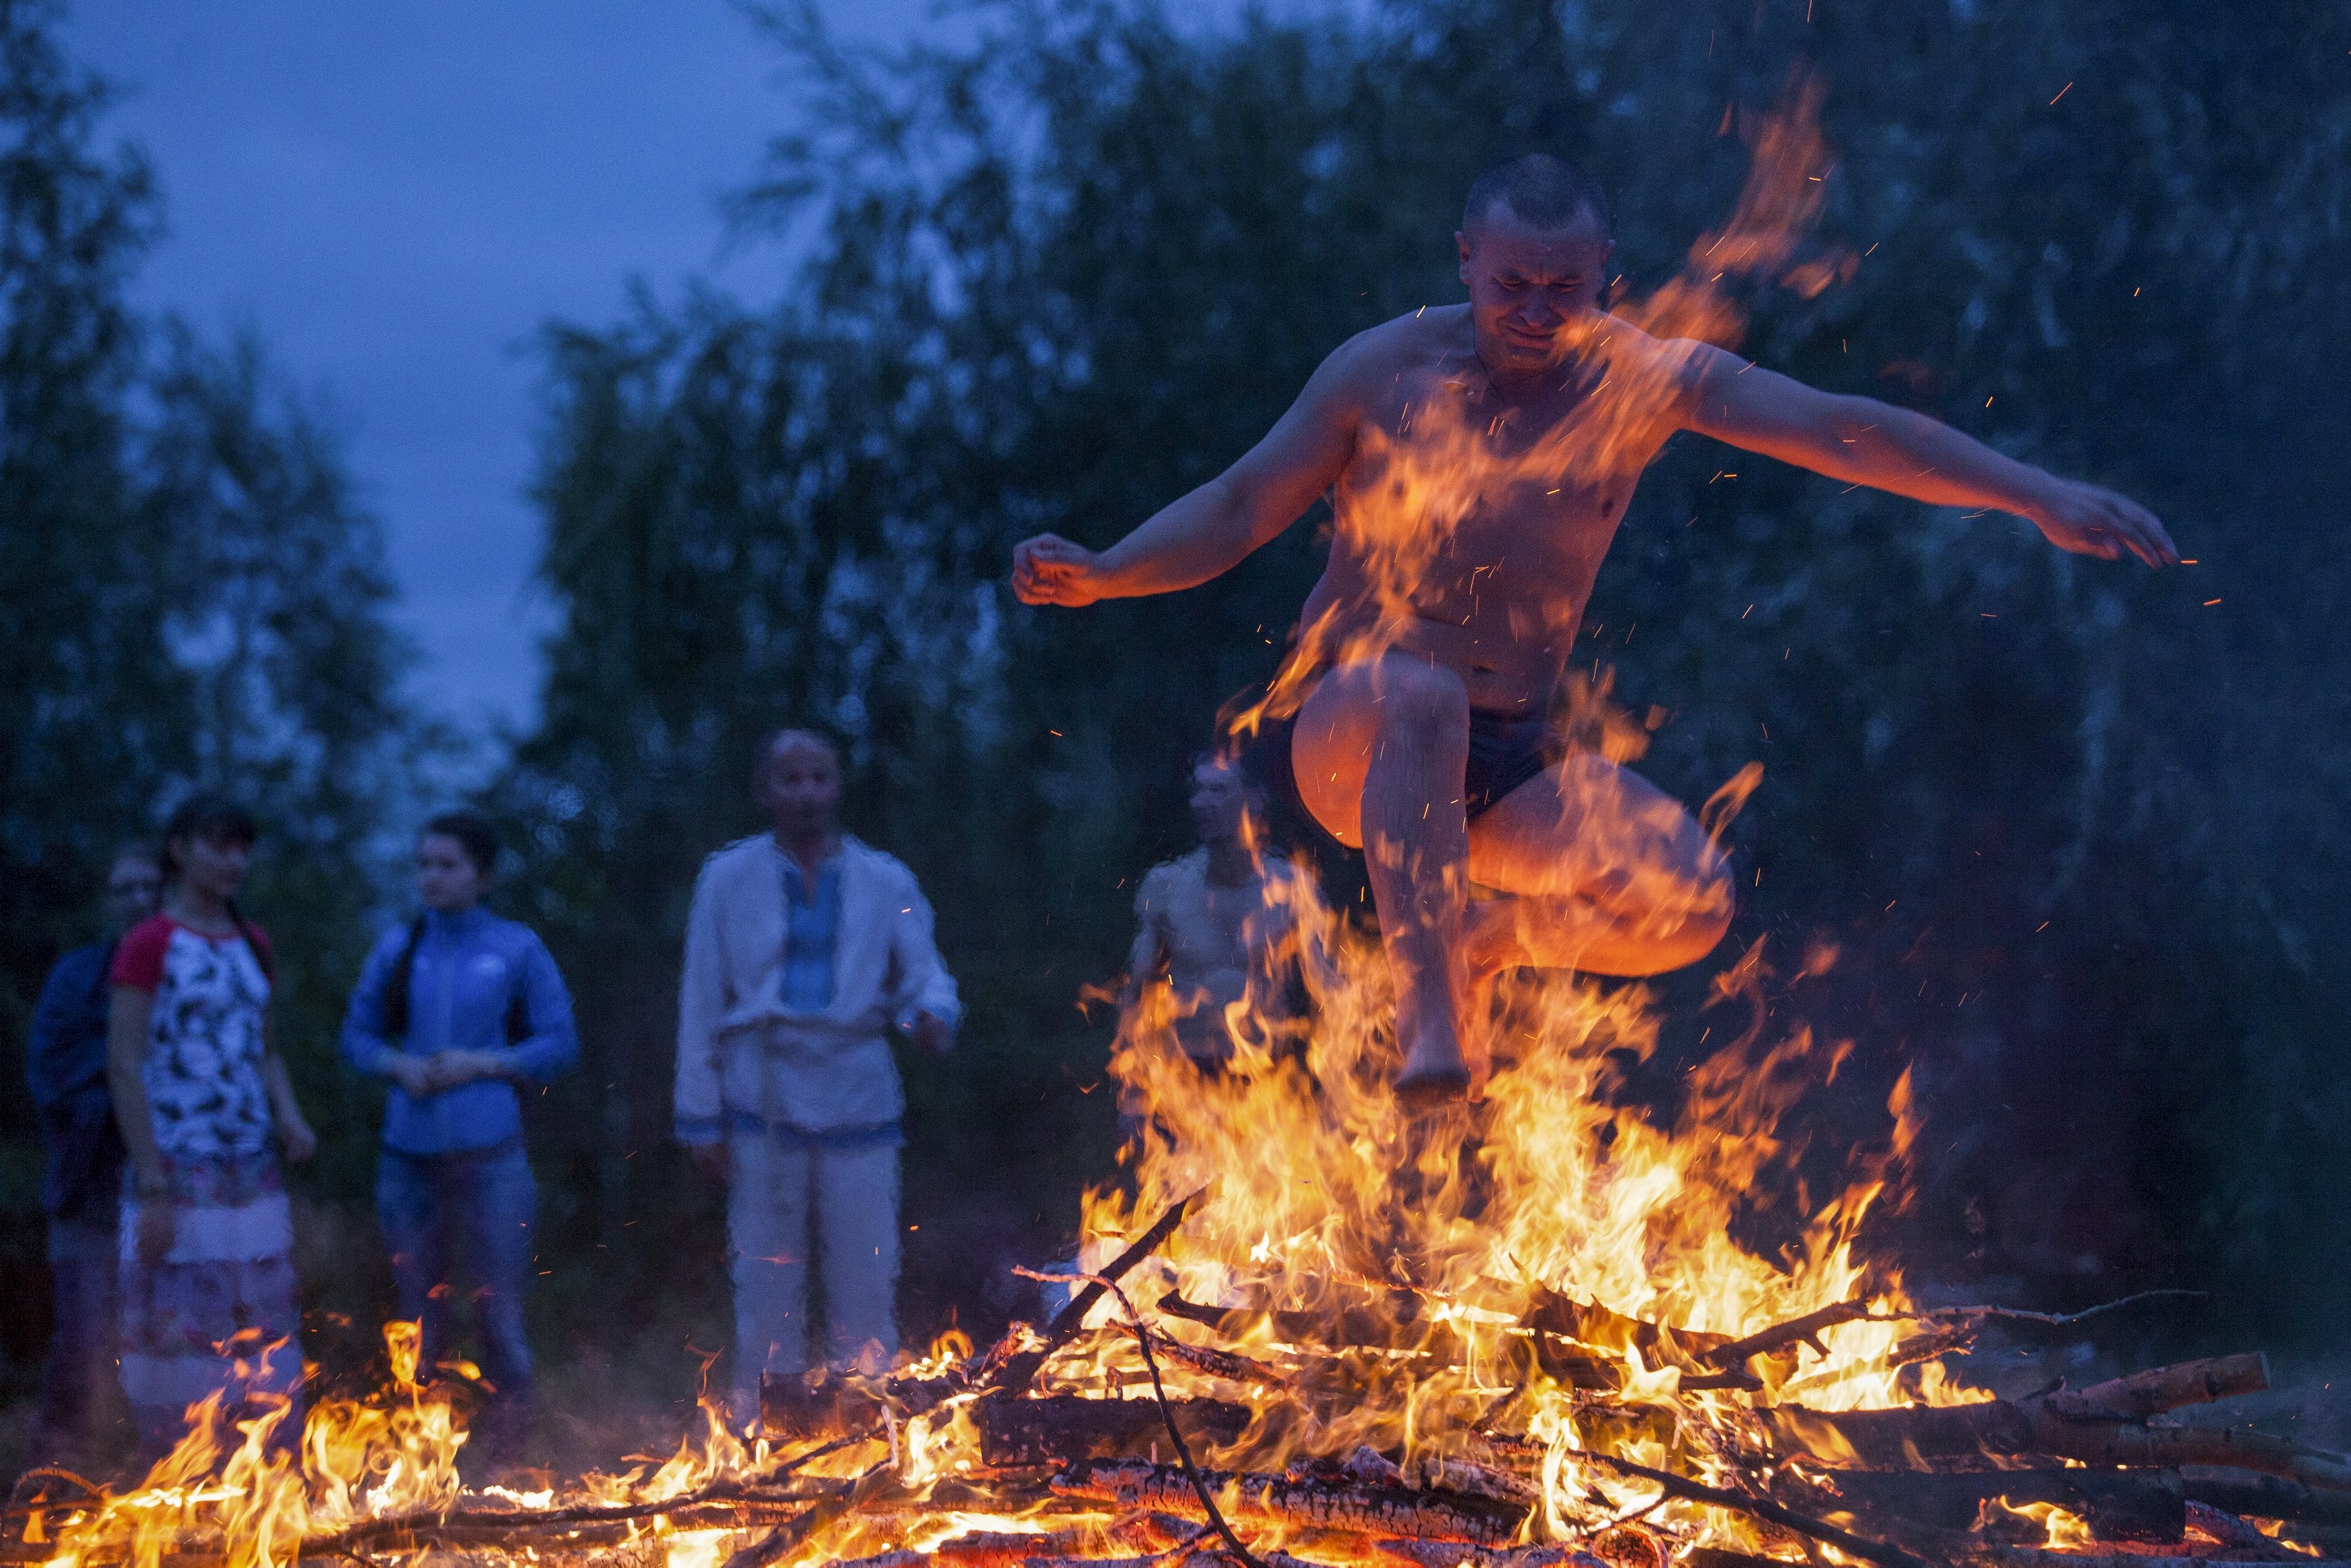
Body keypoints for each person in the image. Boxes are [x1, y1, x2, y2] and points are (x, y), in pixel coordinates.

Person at [1012, 154, 2178, 1102]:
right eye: (1511, 283)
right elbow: (1237, 506)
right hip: (1357, 733)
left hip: (1507, 750)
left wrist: (2034, 494)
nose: (1535, 312)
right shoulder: (1384, 372)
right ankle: (1431, 1028)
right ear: (1467, 261)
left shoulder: (1642, 380)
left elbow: (1844, 429)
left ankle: (1479, 944)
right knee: (1422, 693)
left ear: (1604, 276)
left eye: (1562, 288)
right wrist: (1109, 572)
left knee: (1692, 903)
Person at [675, 729, 961, 1421]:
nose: (805, 792)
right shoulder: (728, 877)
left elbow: (925, 976)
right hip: (761, 1092)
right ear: (764, 790)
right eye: (790, 779)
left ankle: (865, 1429)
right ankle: (761, 1431)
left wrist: (928, 1016)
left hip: (856, 1088)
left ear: (837, 786)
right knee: (765, 1279)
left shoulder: (882, 879)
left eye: (819, 778)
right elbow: (702, 995)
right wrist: (699, 1113)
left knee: (865, 1274)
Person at [340, 810, 578, 1469]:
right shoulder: (399, 947)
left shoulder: (516, 948)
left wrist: (486, 1062)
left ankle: (510, 1456)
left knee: (499, 1308)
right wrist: (398, 1065)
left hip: (491, 1156)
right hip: (407, 1160)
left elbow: (560, 1043)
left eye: (446, 865)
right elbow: (355, 1038)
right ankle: (424, 1458)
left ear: (483, 874)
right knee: (419, 1315)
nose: (432, 877)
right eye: (423, 864)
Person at [107, 796, 317, 1457]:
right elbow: (123, 1060)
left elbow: (267, 1047)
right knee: (181, 1322)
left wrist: (288, 1113)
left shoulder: (253, 943)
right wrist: (150, 1177)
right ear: (182, 849)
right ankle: (179, 1474)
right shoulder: (151, 943)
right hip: (176, 1159)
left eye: (242, 847)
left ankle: (266, 1469)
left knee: (262, 1314)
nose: (234, 860)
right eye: (219, 845)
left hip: (248, 1163)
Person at [26, 845, 162, 1461]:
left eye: (149, 888)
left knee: (170, 1343)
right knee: (83, 1338)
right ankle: (56, 1479)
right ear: (108, 899)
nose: (137, 899)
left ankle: (158, 1478)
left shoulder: (192, 976)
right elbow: (49, 1074)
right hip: (89, 1187)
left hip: (175, 1190)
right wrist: (118, 1080)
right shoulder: (75, 976)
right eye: (124, 888)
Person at [1123, 755, 1308, 1072]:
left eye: (1218, 790)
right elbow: (1137, 994)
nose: (1202, 802)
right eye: (1198, 790)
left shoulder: (1292, 888)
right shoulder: (1167, 887)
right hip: (1185, 1083)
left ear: (1255, 800)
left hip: (1271, 1085)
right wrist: (1132, 1093)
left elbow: (1330, 991)